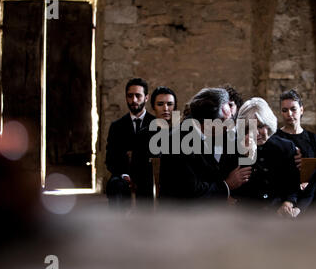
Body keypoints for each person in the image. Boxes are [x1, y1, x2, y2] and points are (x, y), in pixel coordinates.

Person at [159, 88, 251, 202]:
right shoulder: (176, 143)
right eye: (224, 121)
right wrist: (227, 185)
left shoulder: (218, 133)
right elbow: (191, 192)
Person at [232, 97, 300, 215]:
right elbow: (236, 189)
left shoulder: (286, 147)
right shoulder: (233, 148)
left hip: (277, 213)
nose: (256, 133)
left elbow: (293, 186)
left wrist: (288, 203)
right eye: (250, 128)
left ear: (269, 124)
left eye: (260, 126)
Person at [105, 77, 156, 209]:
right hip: (124, 176)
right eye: (130, 96)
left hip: (148, 176)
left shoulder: (156, 124)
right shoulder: (116, 126)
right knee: (114, 184)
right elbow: (110, 159)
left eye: (138, 96)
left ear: (146, 98)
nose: (133, 100)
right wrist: (124, 175)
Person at [275, 89, 316, 170]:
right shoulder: (275, 138)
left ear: (301, 110)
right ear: (281, 112)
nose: (289, 114)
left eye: (293, 109)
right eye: (285, 110)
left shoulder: (313, 139)